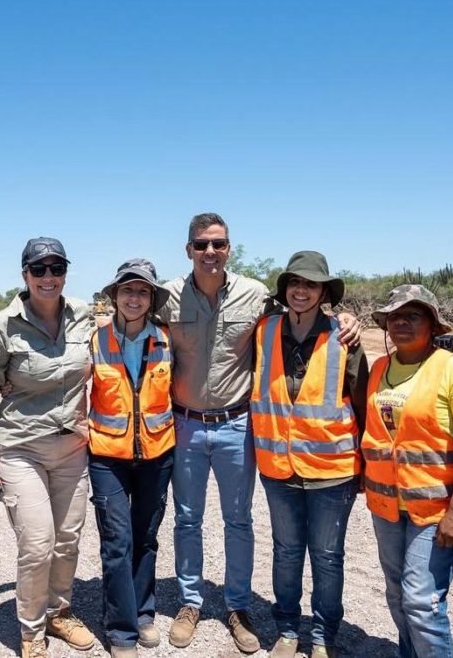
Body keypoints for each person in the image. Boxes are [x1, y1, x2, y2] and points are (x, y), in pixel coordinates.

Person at [154, 213, 360, 653]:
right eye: (202, 244)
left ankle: (237, 607)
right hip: (186, 424)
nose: (211, 252)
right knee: (187, 518)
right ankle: (191, 603)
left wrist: (347, 321)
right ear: (188, 249)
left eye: (219, 244)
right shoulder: (165, 297)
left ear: (229, 248)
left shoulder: (255, 298)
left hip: (236, 426)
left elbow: (306, 320)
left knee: (239, 520)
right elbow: (127, 317)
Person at [0, 237, 96, 658]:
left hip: (71, 447)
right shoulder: (0, 326)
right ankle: (31, 631)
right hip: (20, 448)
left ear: (66, 271)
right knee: (38, 542)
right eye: (39, 269)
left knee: (68, 540)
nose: (49, 277)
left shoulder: (85, 316)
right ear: (25, 274)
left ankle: (58, 612)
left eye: (57, 268)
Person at [361, 284, 453, 658]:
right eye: (394, 316)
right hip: (386, 506)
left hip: (436, 510)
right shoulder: (380, 368)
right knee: (397, 594)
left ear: (434, 325)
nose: (401, 322)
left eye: (412, 316)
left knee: (422, 602)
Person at [251, 251, 368, 658]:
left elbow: (361, 400)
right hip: (278, 467)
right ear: (285, 290)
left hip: (332, 470)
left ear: (323, 292)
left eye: (311, 284)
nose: (301, 291)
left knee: (327, 556)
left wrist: (366, 466)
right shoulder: (264, 329)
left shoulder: (344, 335)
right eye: (295, 284)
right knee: (285, 552)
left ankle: (323, 636)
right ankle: (286, 630)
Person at [88, 259, 175, 658]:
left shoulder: (170, 340)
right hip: (108, 456)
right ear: (115, 296)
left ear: (152, 298)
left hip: (157, 453)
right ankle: (121, 632)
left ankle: (143, 613)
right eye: (127, 290)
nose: (134, 298)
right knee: (117, 541)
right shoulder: (94, 340)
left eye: (142, 291)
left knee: (146, 537)